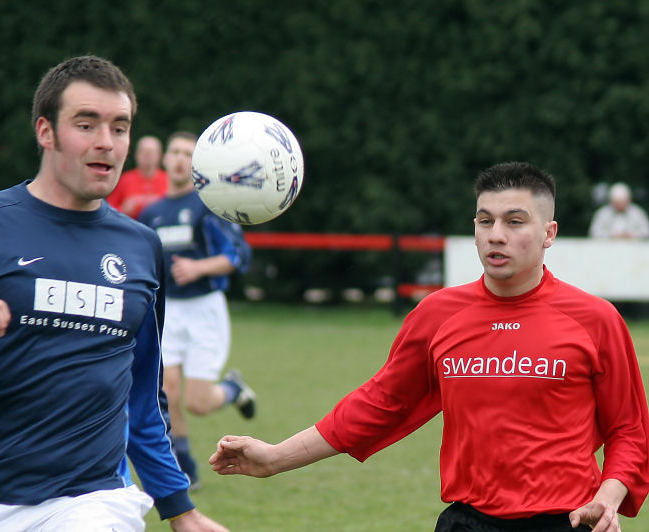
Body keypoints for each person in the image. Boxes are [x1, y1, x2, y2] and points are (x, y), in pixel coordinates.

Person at [0, 55, 226, 531]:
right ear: (45, 131)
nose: (106, 142)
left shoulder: (141, 248)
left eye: (120, 128)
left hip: (95, 501)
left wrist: (180, 510)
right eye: (86, 124)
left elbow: (142, 397)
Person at [210, 162, 649, 532]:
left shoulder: (595, 319)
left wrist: (609, 497)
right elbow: (378, 405)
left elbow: (629, 430)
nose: (496, 234)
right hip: (466, 522)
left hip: (566, 521)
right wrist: (274, 458)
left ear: (549, 232)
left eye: (515, 221)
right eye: (484, 220)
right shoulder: (438, 314)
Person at [139, 131, 255, 491]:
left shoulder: (209, 206)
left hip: (205, 310)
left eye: (186, 153)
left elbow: (237, 257)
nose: (177, 158)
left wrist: (198, 268)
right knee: (167, 392)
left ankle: (233, 389)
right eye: (173, 150)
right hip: (169, 311)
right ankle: (185, 467)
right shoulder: (151, 214)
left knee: (199, 403)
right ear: (164, 160)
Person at [106, 135, 168, 218]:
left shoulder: (168, 180)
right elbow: (108, 211)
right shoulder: (124, 180)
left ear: (160, 156)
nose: (148, 156)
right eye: (144, 152)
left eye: (152, 152)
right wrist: (123, 210)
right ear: (136, 155)